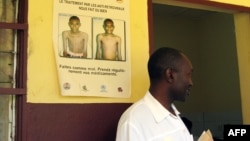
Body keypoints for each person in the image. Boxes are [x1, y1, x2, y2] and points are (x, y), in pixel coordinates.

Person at [116, 47, 194, 141]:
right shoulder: (133, 122)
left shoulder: (174, 115)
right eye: (188, 74)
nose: (191, 83)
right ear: (170, 75)